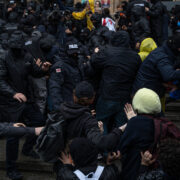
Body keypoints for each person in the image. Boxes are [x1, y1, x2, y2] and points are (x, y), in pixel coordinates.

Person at [0, 31, 51, 180]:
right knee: (13, 134)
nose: (18, 51)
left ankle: (27, 149)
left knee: (39, 121)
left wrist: (43, 70)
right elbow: (0, 80)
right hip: (10, 102)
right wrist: (13, 93)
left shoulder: (26, 55)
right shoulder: (3, 57)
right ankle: (11, 168)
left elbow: (35, 72)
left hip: (26, 99)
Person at [118, 88, 180, 180]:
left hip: (136, 169)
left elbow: (122, 147)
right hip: (160, 171)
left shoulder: (135, 123)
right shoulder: (164, 122)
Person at [90, 31, 141, 133]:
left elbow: (94, 61)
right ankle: (119, 148)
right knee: (122, 127)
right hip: (124, 98)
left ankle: (103, 147)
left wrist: (96, 52)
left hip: (107, 95)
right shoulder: (135, 57)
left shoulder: (108, 52)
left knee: (101, 124)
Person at [133, 33, 180, 99]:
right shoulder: (162, 56)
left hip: (148, 89)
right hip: (146, 93)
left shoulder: (163, 52)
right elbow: (169, 75)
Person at [57, 137, 121, 180]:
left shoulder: (66, 176)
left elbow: (65, 175)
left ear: (73, 159)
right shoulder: (111, 173)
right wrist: (109, 163)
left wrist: (67, 166)